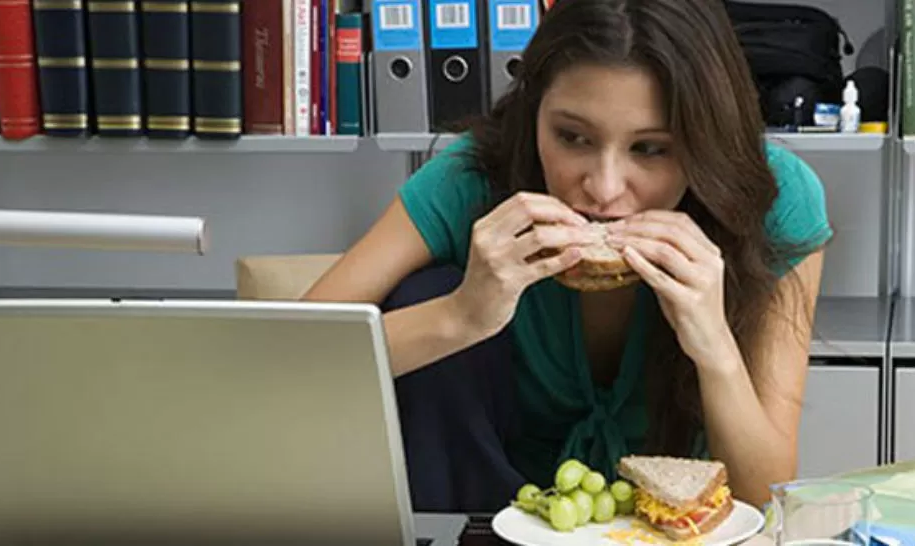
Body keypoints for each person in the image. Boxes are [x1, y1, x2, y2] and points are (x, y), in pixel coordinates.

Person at [303, 0, 831, 513]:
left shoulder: (776, 201)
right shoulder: (472, 179)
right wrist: (460, 315)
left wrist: (714, 344)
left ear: (706, 139)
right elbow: (285, 361)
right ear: (533, 113)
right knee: (427, 292)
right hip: (488, 519)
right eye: (572, 137)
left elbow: (767, 497)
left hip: (672, 529)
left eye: (651, 149)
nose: (603, 189)